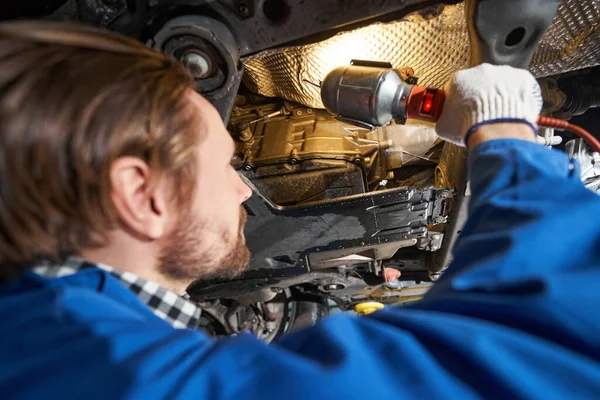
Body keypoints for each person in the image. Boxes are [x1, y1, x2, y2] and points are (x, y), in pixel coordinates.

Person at [0, 20, 599, 400]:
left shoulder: (39, 341)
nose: (242, 190)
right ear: (141, 195)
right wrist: (506, 139)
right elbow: (562, 339)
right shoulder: (113, 376)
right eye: (226, 163)